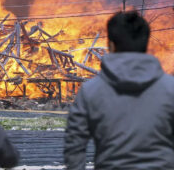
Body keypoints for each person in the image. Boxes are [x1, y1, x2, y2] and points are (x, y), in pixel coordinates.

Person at [64, 10, 174, 169]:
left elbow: (74, 145)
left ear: (111, 45)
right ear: (146, 43)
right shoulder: (170, 89)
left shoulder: (90, 91)